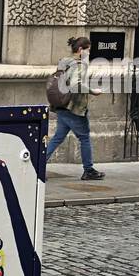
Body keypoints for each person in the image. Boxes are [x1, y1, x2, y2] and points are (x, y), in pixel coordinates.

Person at [45, 35, 104, 181]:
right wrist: (92, 91)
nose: (89, 54)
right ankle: (88, 170)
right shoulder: (79, 65)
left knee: (58, 137)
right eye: (88, 50)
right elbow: (75, 84)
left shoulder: (65, 62)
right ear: (80, 50)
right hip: (74, 108)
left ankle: (37, 163)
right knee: (84, 138)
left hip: (61, 105)